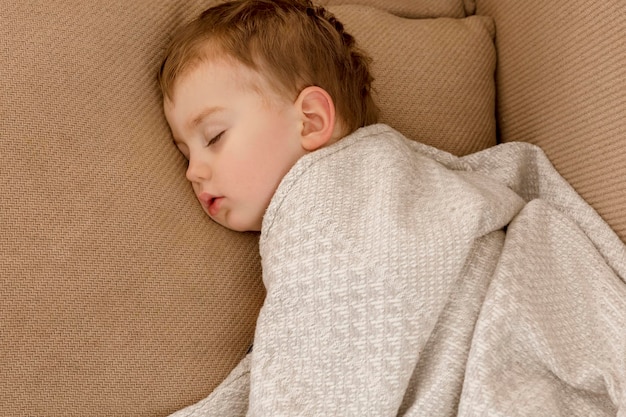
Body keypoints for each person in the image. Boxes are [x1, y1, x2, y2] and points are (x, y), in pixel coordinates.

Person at [159, 1, 626, 416]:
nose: (193, 171)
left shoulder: (324, 195)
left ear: (311, 120)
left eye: (214, 137)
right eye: (184, 152)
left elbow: (323, 371)